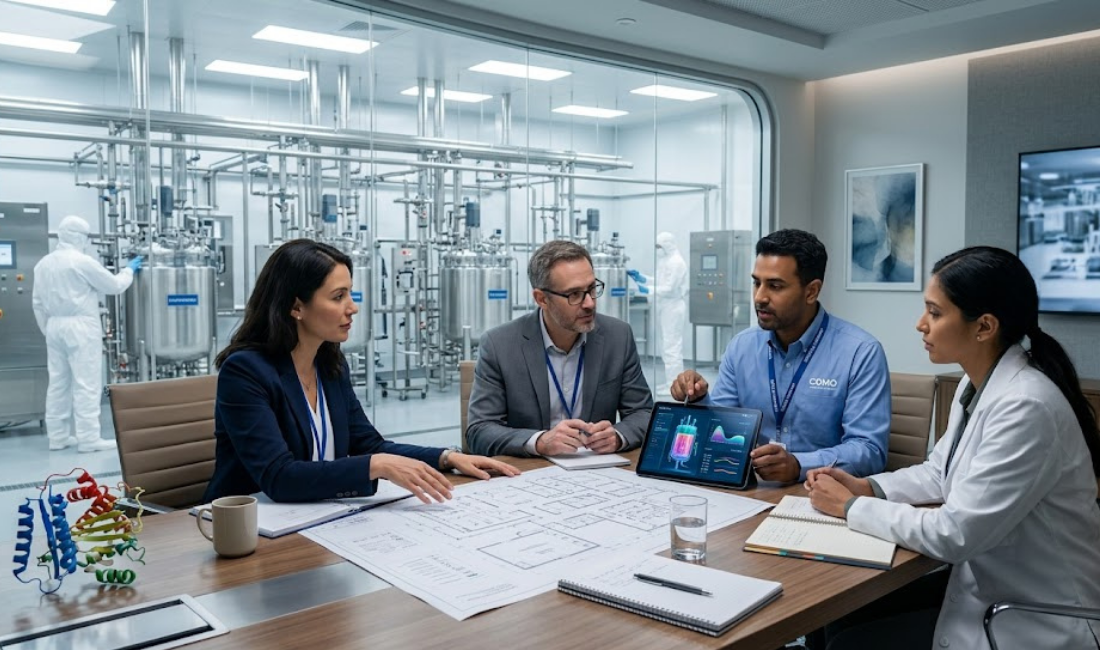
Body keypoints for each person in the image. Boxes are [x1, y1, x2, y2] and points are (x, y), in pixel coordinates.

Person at [805, 246, 1100, 650]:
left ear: (984, 327)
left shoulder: (1026, 405)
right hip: (989, 585)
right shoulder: (976, 382)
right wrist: (867, 487)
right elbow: (937, 473)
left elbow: (955, 534)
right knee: (839, 618)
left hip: (1033, 617)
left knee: (849, 642)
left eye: (935, 312)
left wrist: (851, 508)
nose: (920, 325)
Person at [203, 239, 519, 504]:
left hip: (318, 515)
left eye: (350, 294)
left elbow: (369, 445)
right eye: (338, 297)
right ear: (296, 307)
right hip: (249, 528)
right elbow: (279, 477)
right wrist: (374, 466)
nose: (353, 307)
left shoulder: (329, 365)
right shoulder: (246, 372)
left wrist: (447, 458)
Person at [671, 229, 890, 483]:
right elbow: (723, 428)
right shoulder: (741, 347)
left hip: (819, 495)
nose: (760, 297)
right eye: (756, 282)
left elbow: (869, 450)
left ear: (811, 291)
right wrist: (698, 398)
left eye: (775, 286)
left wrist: (800, 465)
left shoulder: (860, 353)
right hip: (750, 490)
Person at [466, 239, 653, 457]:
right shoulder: (500, 345)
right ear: (542, 299)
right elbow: (480, 431)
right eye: (574, 294)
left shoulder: (617, 337)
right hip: (530, 472)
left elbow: (644, 413)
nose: (589, 303)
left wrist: (618, 435)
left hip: (597, 470)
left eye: (592, 289)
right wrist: (540, 441)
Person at [32, 215, 142, 453]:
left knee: (58, 383)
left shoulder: (43, 264)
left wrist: (48, 329)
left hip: (54, 327)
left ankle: (58, 437)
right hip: (80, 327)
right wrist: (129, 271)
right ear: (79, 237)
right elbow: (113, 286)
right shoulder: (80, 261)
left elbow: (37, 303)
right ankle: (89, 439)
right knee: (86, 383)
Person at [628, 231, 688, 394]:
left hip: (673, 306)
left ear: (668, 245)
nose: (658, 249)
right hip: (664, 306)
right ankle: (671, 382)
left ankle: (676, 385)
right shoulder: (666, 260)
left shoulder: (677, 262)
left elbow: (669, 288)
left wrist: (647, 289)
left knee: (672, 346)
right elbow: (660, 282)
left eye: (659, 246)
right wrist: (642, 278)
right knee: (665, 345)